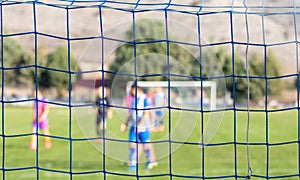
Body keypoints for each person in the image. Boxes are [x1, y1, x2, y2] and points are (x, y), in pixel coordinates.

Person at [120, 83, 158, 171]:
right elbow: (131, 113)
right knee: (132, 144)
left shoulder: (145, 98)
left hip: (143, 127)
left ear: (137, 89)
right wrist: (125, 123)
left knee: (146, 144)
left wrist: (140, 125)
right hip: (134, 126)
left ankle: (151, 161)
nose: (131, 92)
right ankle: (133, 163)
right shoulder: (133, 100)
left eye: (132, 90)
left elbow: (146, 113)